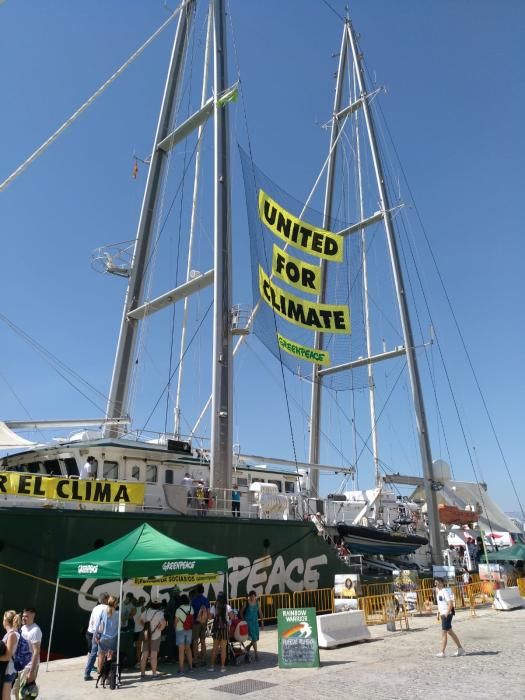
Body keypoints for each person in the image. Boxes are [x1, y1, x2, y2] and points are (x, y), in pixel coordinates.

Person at [434, 577, 466, 657]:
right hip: (443, 613)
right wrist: (438, 613)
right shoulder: (439, 592)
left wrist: (447, 613)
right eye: (435, 583)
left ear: (442, 583)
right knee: (450, 632)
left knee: (444, 633)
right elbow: (440, 604)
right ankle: (460, 649)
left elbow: (450, 603)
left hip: (446, 614)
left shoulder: (445, 591)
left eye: (437, 583)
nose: (436, 584)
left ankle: (442, 652)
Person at [15, 607, 42, 697]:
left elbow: (36, 651)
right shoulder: (23, 627)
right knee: (16, 690)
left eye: (26, 616)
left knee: (23, 693)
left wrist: (31, 671)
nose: (23, 618)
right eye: (23, 616)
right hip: (21, 665)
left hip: (29, 666)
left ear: (33, 616)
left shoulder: (35, 631)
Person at [84, 592, 109, 681]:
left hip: (94, 632)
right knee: (104, 654)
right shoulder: (107, 608)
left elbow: (92, 621)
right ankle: (103, 674)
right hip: (103, 633)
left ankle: (87, 673)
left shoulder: (95, 608)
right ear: (105, 599)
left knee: (93, 653)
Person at [139, 599, 166, 680]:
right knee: (153, 655)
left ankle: (142, 673)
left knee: (144, 655)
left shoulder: (146, 612)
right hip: (156, 635)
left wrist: (145, 626)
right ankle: (154, 673)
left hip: (146, 635)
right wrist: (160, 629)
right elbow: (164, 623)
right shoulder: (160, 613)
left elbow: (139, 620)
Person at [96, 596, 120, 672]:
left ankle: (100, 674)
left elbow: (99, 625)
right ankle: (108, 677)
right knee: (109, 658)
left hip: (102, 637)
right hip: (112, 638)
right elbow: (120, 625)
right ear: (115, 603)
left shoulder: (103, 612)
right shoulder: (117, 614)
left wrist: (97, 636)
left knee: (101, 656)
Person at [0, 610, 20, 700]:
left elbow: (7, 657)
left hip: (8, 669)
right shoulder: (11, 633)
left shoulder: (12, 635)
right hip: (8, 668)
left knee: (5, 697)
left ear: (6, 621)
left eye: (3, 619)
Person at [208, 593, 229, 673]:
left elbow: (210, 617)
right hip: (224, 628)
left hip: (216, 628)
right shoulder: (227, 607)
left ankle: (212, 666)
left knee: (215, 648)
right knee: (223, 649)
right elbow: (232, 616)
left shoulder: (214, 606)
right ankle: (223, 667)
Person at [191, 584, 210, 667]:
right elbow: (208, 612)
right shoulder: (206, 600)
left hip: (195, 623)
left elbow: (191, 613)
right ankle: (204, 659)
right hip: (204, 622)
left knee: (195, 641)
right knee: (203, 641)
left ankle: (195, 660)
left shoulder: (193, 600)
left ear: (196, 591)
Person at [241, 591, 263, 661]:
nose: (253, 598)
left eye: (254, 597)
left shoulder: (257, 603)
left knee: (255, 638)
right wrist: (243, 620)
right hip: (249, 623)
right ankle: (256, 654)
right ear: (249, 597)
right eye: (251, 597)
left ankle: (248, 647)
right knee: (254, 638)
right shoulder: (246, 603)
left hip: (255, 622)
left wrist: (262, 621)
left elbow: (260, 611)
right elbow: (241, 612)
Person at [174, 594, 193, 674]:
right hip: (189, 630)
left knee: (181, 651)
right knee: (188, 649)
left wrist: (175, 629)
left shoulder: (178, 610)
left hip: (180, 630)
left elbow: (175, 622)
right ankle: (191, 668)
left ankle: (181, 669)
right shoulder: (191, 608)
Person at [133, 597, 146, 666]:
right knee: (144, 648)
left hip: (135, 630)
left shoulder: (134, 609)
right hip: (142, 630)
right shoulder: (144, 609)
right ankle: (142, 662)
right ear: (144, 602)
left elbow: (130, 617)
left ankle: (138, 662)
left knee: (138, 648)